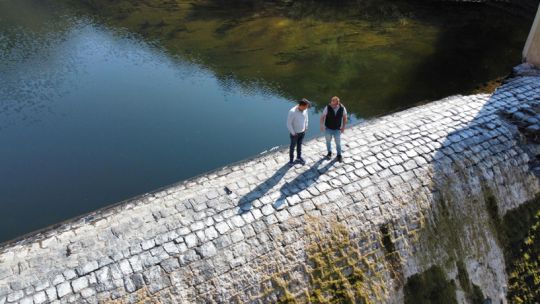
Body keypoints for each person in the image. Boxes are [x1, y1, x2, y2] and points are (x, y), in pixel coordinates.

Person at [320, 96, 348, 162]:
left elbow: (344, 118)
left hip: (337, 129)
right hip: (328, 128)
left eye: (334, 104)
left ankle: (339, 155)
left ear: (338, 103)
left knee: (338, 143)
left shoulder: (342, 108)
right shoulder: (327, 107)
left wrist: (343, 127)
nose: (332, 105)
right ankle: (329, 153)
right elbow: (322, 117)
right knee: (328, 141)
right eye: (332, 103)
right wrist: (321, 125)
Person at [287, 98, 310, 166]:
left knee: (299, 145)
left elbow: (306, 118)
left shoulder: (305, 110)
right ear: (301, 105)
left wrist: (306, 126)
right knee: (292, 147)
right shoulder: (292, 112)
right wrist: (293, 133)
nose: (307, 108)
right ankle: (291, 160)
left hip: (302, 132)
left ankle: (298, 158)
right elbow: (288, 124)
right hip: (295, 134)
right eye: (306, 107)